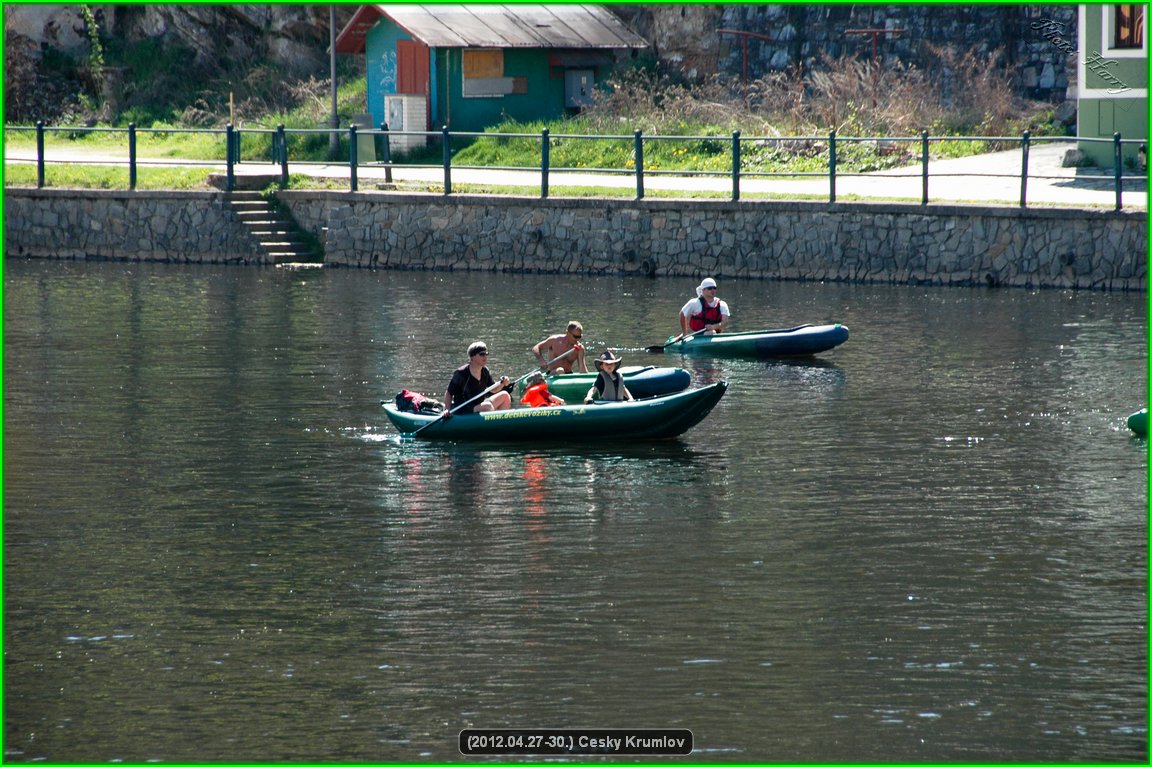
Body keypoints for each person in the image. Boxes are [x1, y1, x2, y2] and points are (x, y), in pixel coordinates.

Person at [443, 341, 512, 416]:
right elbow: (449, 393)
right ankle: (492, 425)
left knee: (505, 395)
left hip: (479, 405)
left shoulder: (485, 371)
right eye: (482, 354)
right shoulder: (461, 373)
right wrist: (447, 410)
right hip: (463, 408)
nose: (485, 357)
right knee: (487, 407)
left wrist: (502, 384)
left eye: (486, 354)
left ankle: (501, 424)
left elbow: (493, 389)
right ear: (472, 356)